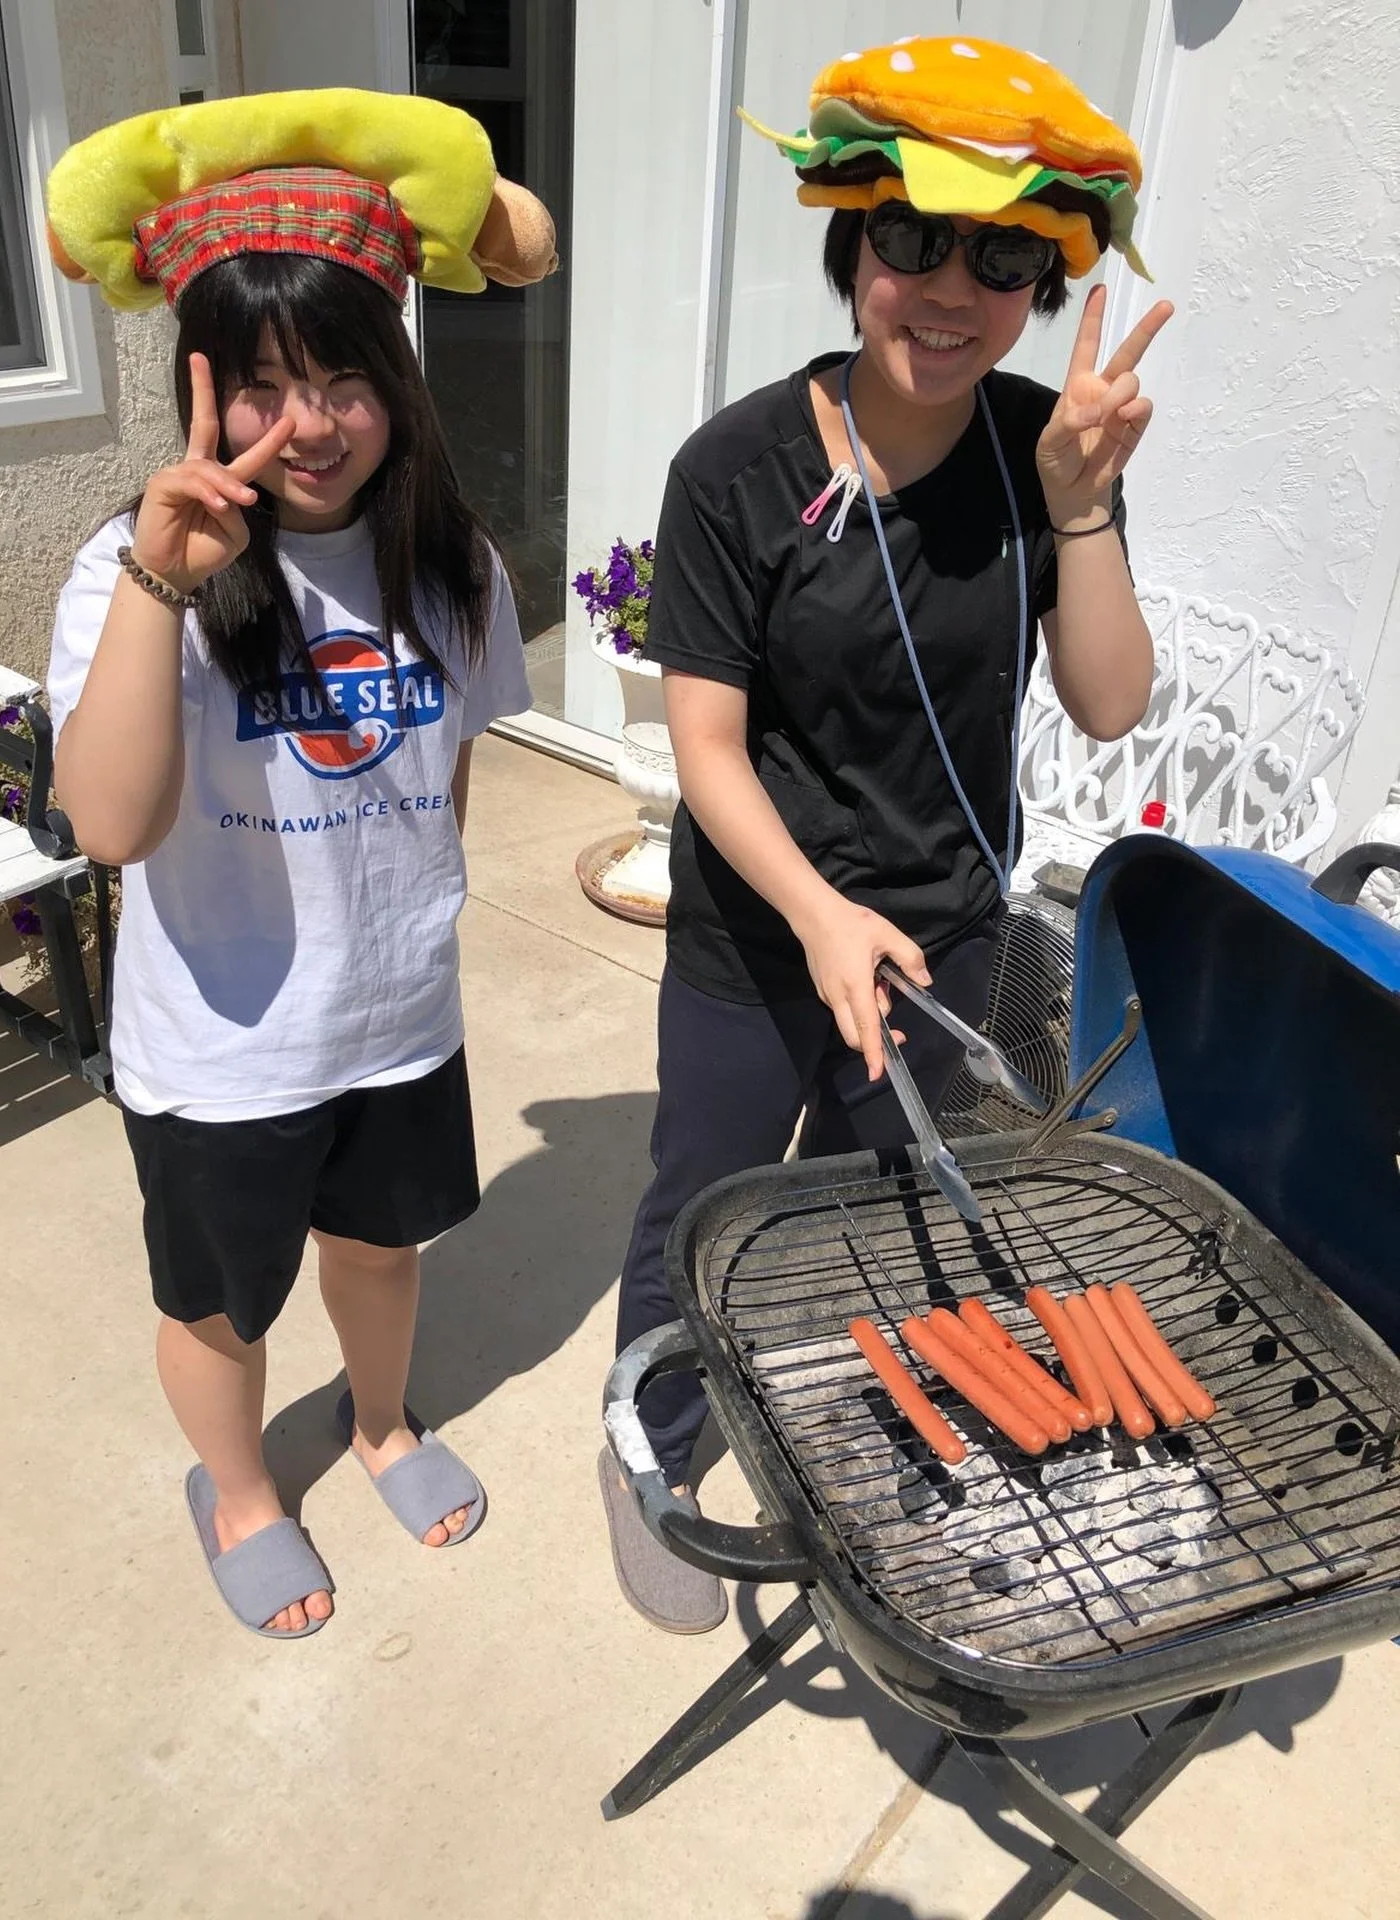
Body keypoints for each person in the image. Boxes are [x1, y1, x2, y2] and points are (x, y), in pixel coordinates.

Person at [601, 36, 1173, 1632]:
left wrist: (1081, 506)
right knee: (702, 1201)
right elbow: (705, 745)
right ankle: (650, 1445)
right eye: (912, 241)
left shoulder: (1046, 443)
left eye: (1001, 259)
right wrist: (815, 912)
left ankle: (842, 1441)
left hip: (943, 930)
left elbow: (1112, 703)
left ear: (1042, 284)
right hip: (756, 933)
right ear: (855, 245)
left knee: (874, 1219)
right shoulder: (737, 467)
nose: (948, 289)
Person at [42, 90, 558, 1638]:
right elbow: (111, 827)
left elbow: (443, 774)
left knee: (382, 1251)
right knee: (217, 1303)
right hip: (218, 1049)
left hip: (393, 1016)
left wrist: (413, 929)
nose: (308, 423)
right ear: (200, 389)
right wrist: (157, 580)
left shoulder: (452, 561)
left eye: (343, 377)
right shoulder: (123, 570)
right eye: (262, 385)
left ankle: (381, 1424)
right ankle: (242, 1491)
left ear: (396, 384)